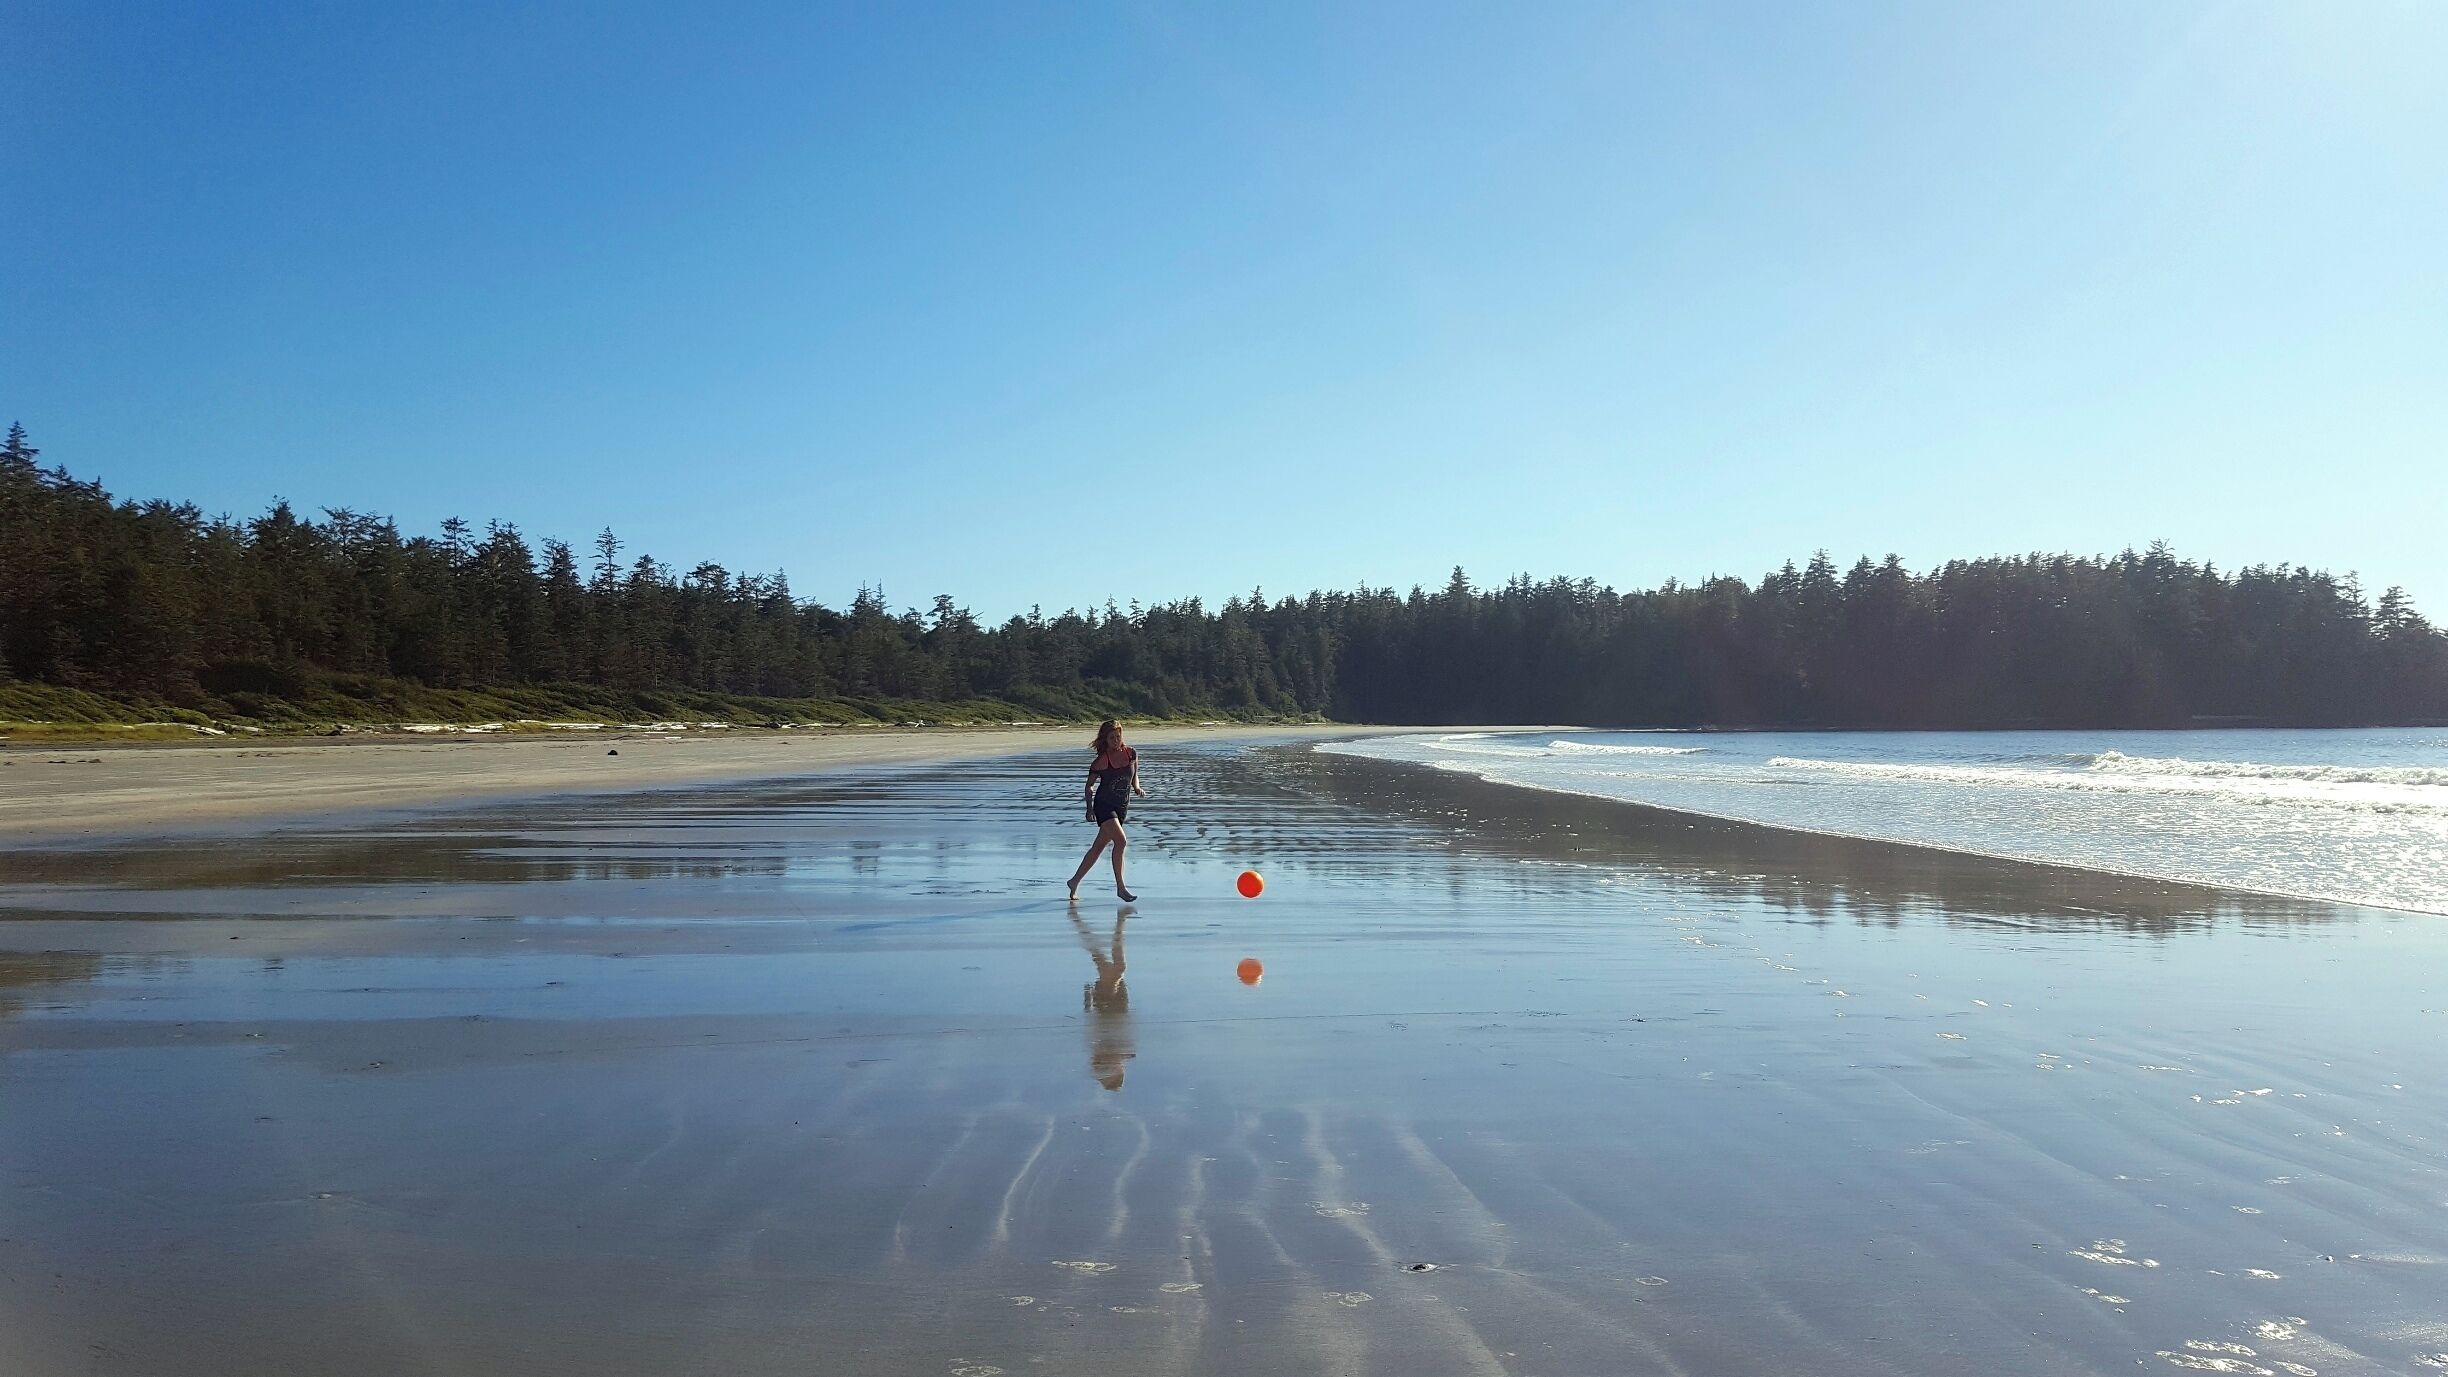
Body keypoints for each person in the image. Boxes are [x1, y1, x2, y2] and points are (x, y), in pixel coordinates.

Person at [1067, 719, 1146, 901]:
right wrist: (1089, 809)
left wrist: (1136, 787)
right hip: (1104, 806)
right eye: (1112, 738)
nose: (1116, 740)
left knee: (1098, 848)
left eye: (1118, 736)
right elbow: (1089, 787)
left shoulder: (1131, 753)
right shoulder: (1102, 761)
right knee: (1121, 841)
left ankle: (1074, 881)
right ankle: (1121, 888)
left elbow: (1134, 775)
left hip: (1121, 807)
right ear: (1105, 739)